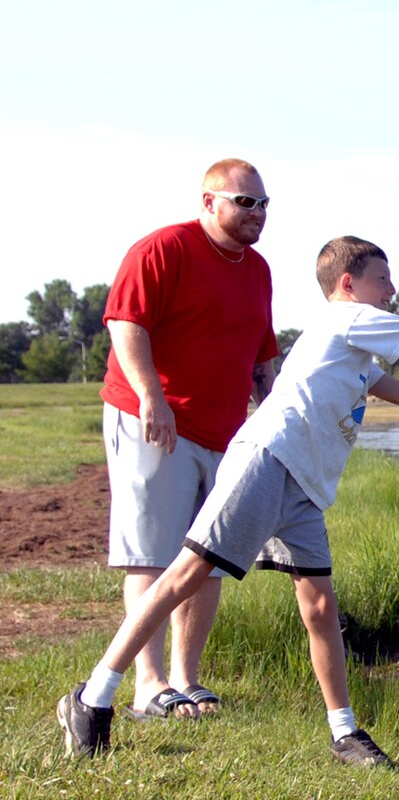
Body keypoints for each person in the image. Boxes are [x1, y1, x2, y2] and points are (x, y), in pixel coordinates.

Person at [58, 235, 399, 767]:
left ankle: (343, 734)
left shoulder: (354, 350)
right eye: (383, 279)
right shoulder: (348, 319)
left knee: (321, 608)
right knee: (184, 576)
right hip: (267, 461)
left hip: (303, 487)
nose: (392, 290)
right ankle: (92, 697)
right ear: (348, 285)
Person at [99, 158, 280, 720]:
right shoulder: (162, 250)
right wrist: (151, 396)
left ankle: (185, 678)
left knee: (205, 555)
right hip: (156, 422)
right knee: (152, 555)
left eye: (264, 204)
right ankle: (147, 684)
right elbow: (126, 323)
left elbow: (262, 353)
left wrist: (269, 415)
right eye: (244, 202)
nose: (257, 213)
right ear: (209, 202)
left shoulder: (257, 269)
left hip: (224, 434)